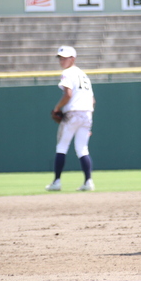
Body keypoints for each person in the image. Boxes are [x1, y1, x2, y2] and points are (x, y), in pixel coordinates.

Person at [45, 46, 96, 192]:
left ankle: (57, 182)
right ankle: (88, 182)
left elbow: (68, 94)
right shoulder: (84, 75)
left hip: (73, 113)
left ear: (73, 59)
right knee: (82, 149)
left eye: (65, 58)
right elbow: (92, 100)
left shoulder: (67, 72)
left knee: (62, 147)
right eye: (60, 58)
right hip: (87, 114)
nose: (62, 61)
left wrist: (57, 108)